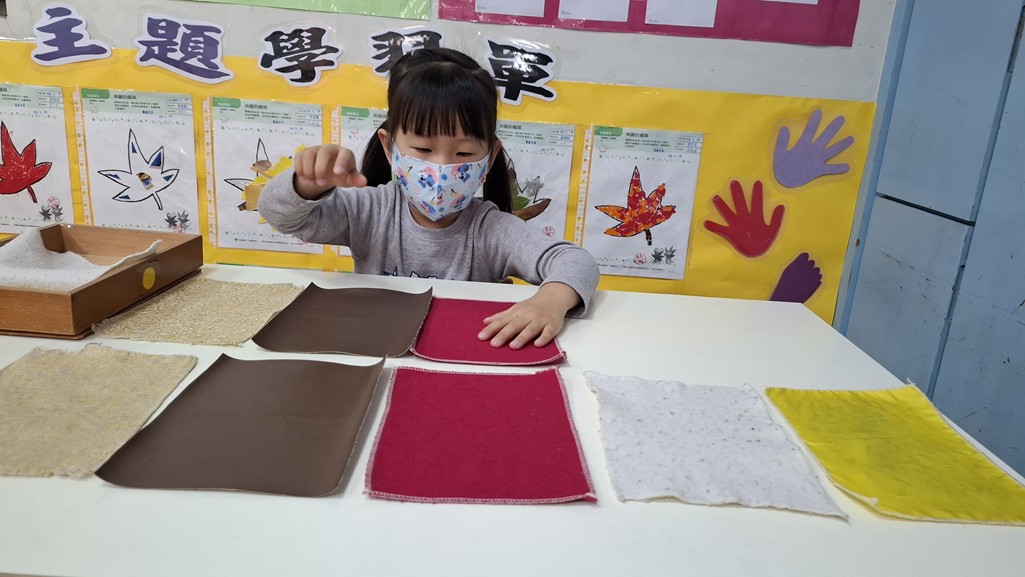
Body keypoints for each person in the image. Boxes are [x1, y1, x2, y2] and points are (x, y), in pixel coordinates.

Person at [259, 47, 599, 350]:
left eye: (463, 153)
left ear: (490, 157)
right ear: (390, 147)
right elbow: (280, 215)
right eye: (423, 149)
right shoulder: (369, 210)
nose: (442, 168)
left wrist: (549, 301)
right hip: (377, 349)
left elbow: (575, 261)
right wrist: (306, 185)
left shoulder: (492, 230)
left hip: (459, 354)